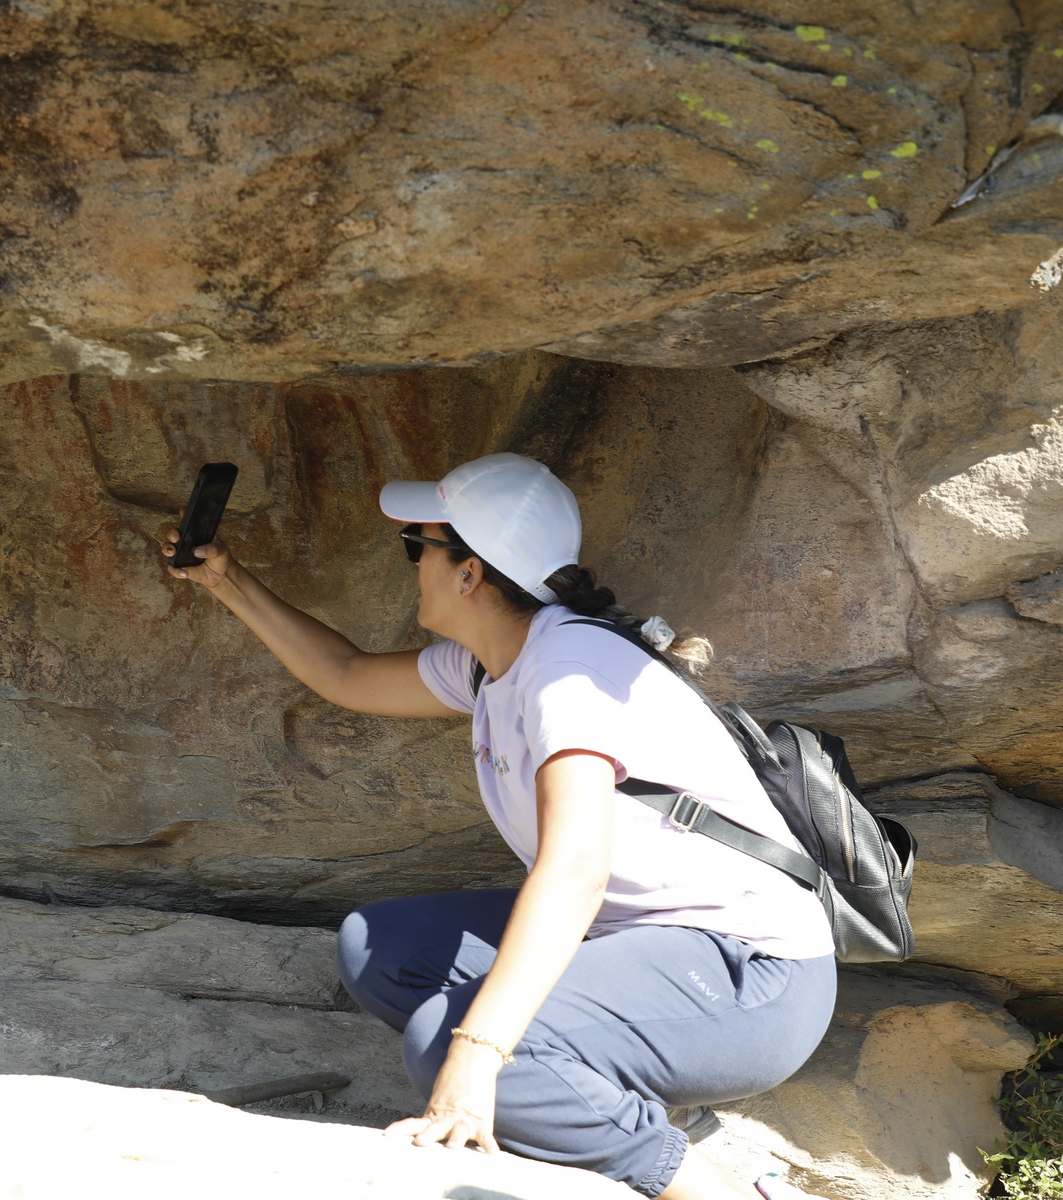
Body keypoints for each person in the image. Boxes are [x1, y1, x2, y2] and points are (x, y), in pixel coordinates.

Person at [161, 452, 836, 1200]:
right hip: (641, 941)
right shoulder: (495, 660)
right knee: (381, 951)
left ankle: (714, 1185)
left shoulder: (569, 669)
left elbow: (574, 872)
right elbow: (347, 675)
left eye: (418, 545)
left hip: (754, 977)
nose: (410, 561)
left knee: (445, 1045)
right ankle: (618, 1095)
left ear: (469, 573)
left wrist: (477, 1056)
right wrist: (226, 579)